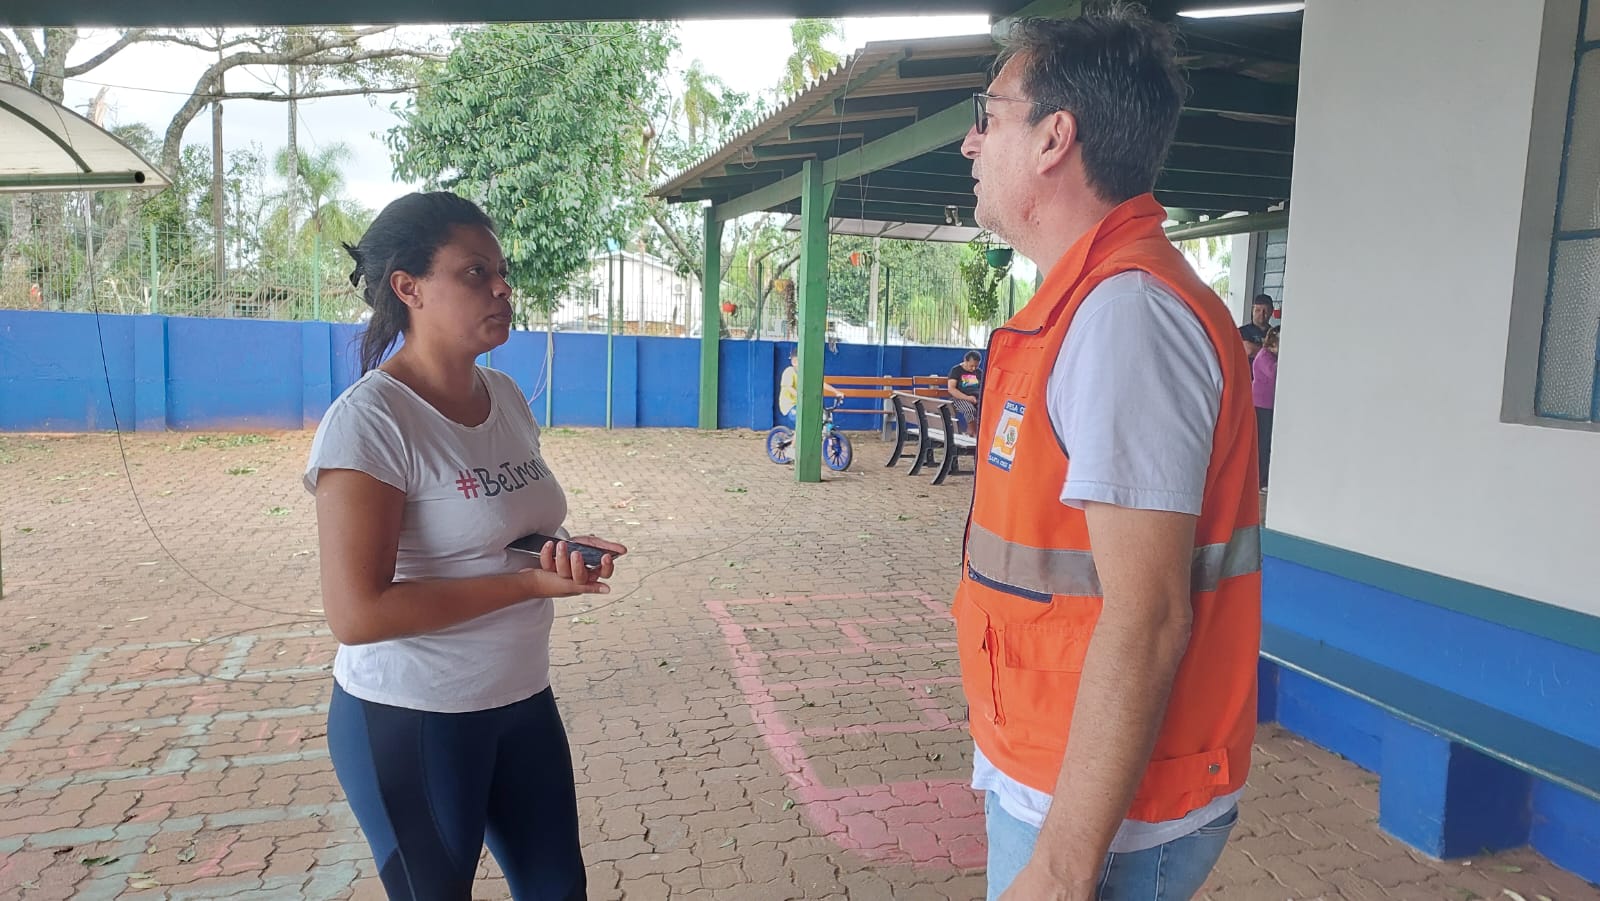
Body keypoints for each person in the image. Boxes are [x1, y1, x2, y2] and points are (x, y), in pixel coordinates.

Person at [957, 9, 1261, 901]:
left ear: (1056, 137)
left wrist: (1059, 867)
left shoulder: (1124, 315)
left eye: (991, 112)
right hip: (1052, 770)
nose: (972, 143)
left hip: (1103, 819)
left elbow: (1150, 613)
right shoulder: (1087, 302)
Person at [304, 191, 626, 901]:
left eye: (501, 271)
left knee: (557, 889)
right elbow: (358, 614)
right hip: (413, 717)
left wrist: (557, 550)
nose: (503, 287)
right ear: (408, 287)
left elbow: (494, 529)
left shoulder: (505, 395)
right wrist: (527, 586)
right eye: (475, 272)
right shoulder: (372, 422)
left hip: (519, 702)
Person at [777, 346, 843, 427]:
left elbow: (819, 384)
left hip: (803, 404)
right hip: (789, 405)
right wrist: (801, 396)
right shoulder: (789, 372)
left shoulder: (806, 374)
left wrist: (836, 392)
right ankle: (796, 439)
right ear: (794, 362)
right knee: (802, 425)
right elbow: (789, 388)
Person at [1253, 327, 1279, 491]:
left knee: (1266, 441)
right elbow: (1275, 373)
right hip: (1261, 404)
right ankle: (1261, 480)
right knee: (1263, 443)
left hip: (1267, 404)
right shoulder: (1265, 356)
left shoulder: (1269, 356)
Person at [948, 350, 985, 436]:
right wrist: (967, 398)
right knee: (969, 409)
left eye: (976, 366)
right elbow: (951, 389)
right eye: (971, 366)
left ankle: (982, 434)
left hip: (976, 399)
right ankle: (972, 433)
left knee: (985, 409)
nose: (973, 369)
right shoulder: (956, 370)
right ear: (965, 360)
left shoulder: (979, 372)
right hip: (959, 398)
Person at [1239, 293, 1273, 360]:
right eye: (1258, 310)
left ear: (1271, 311)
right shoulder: (1242, 331)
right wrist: (1271, 352)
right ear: (1252, 310)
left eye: (1265, 311)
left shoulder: (1275, 333)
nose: (1261, 314)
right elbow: (1249, 350)